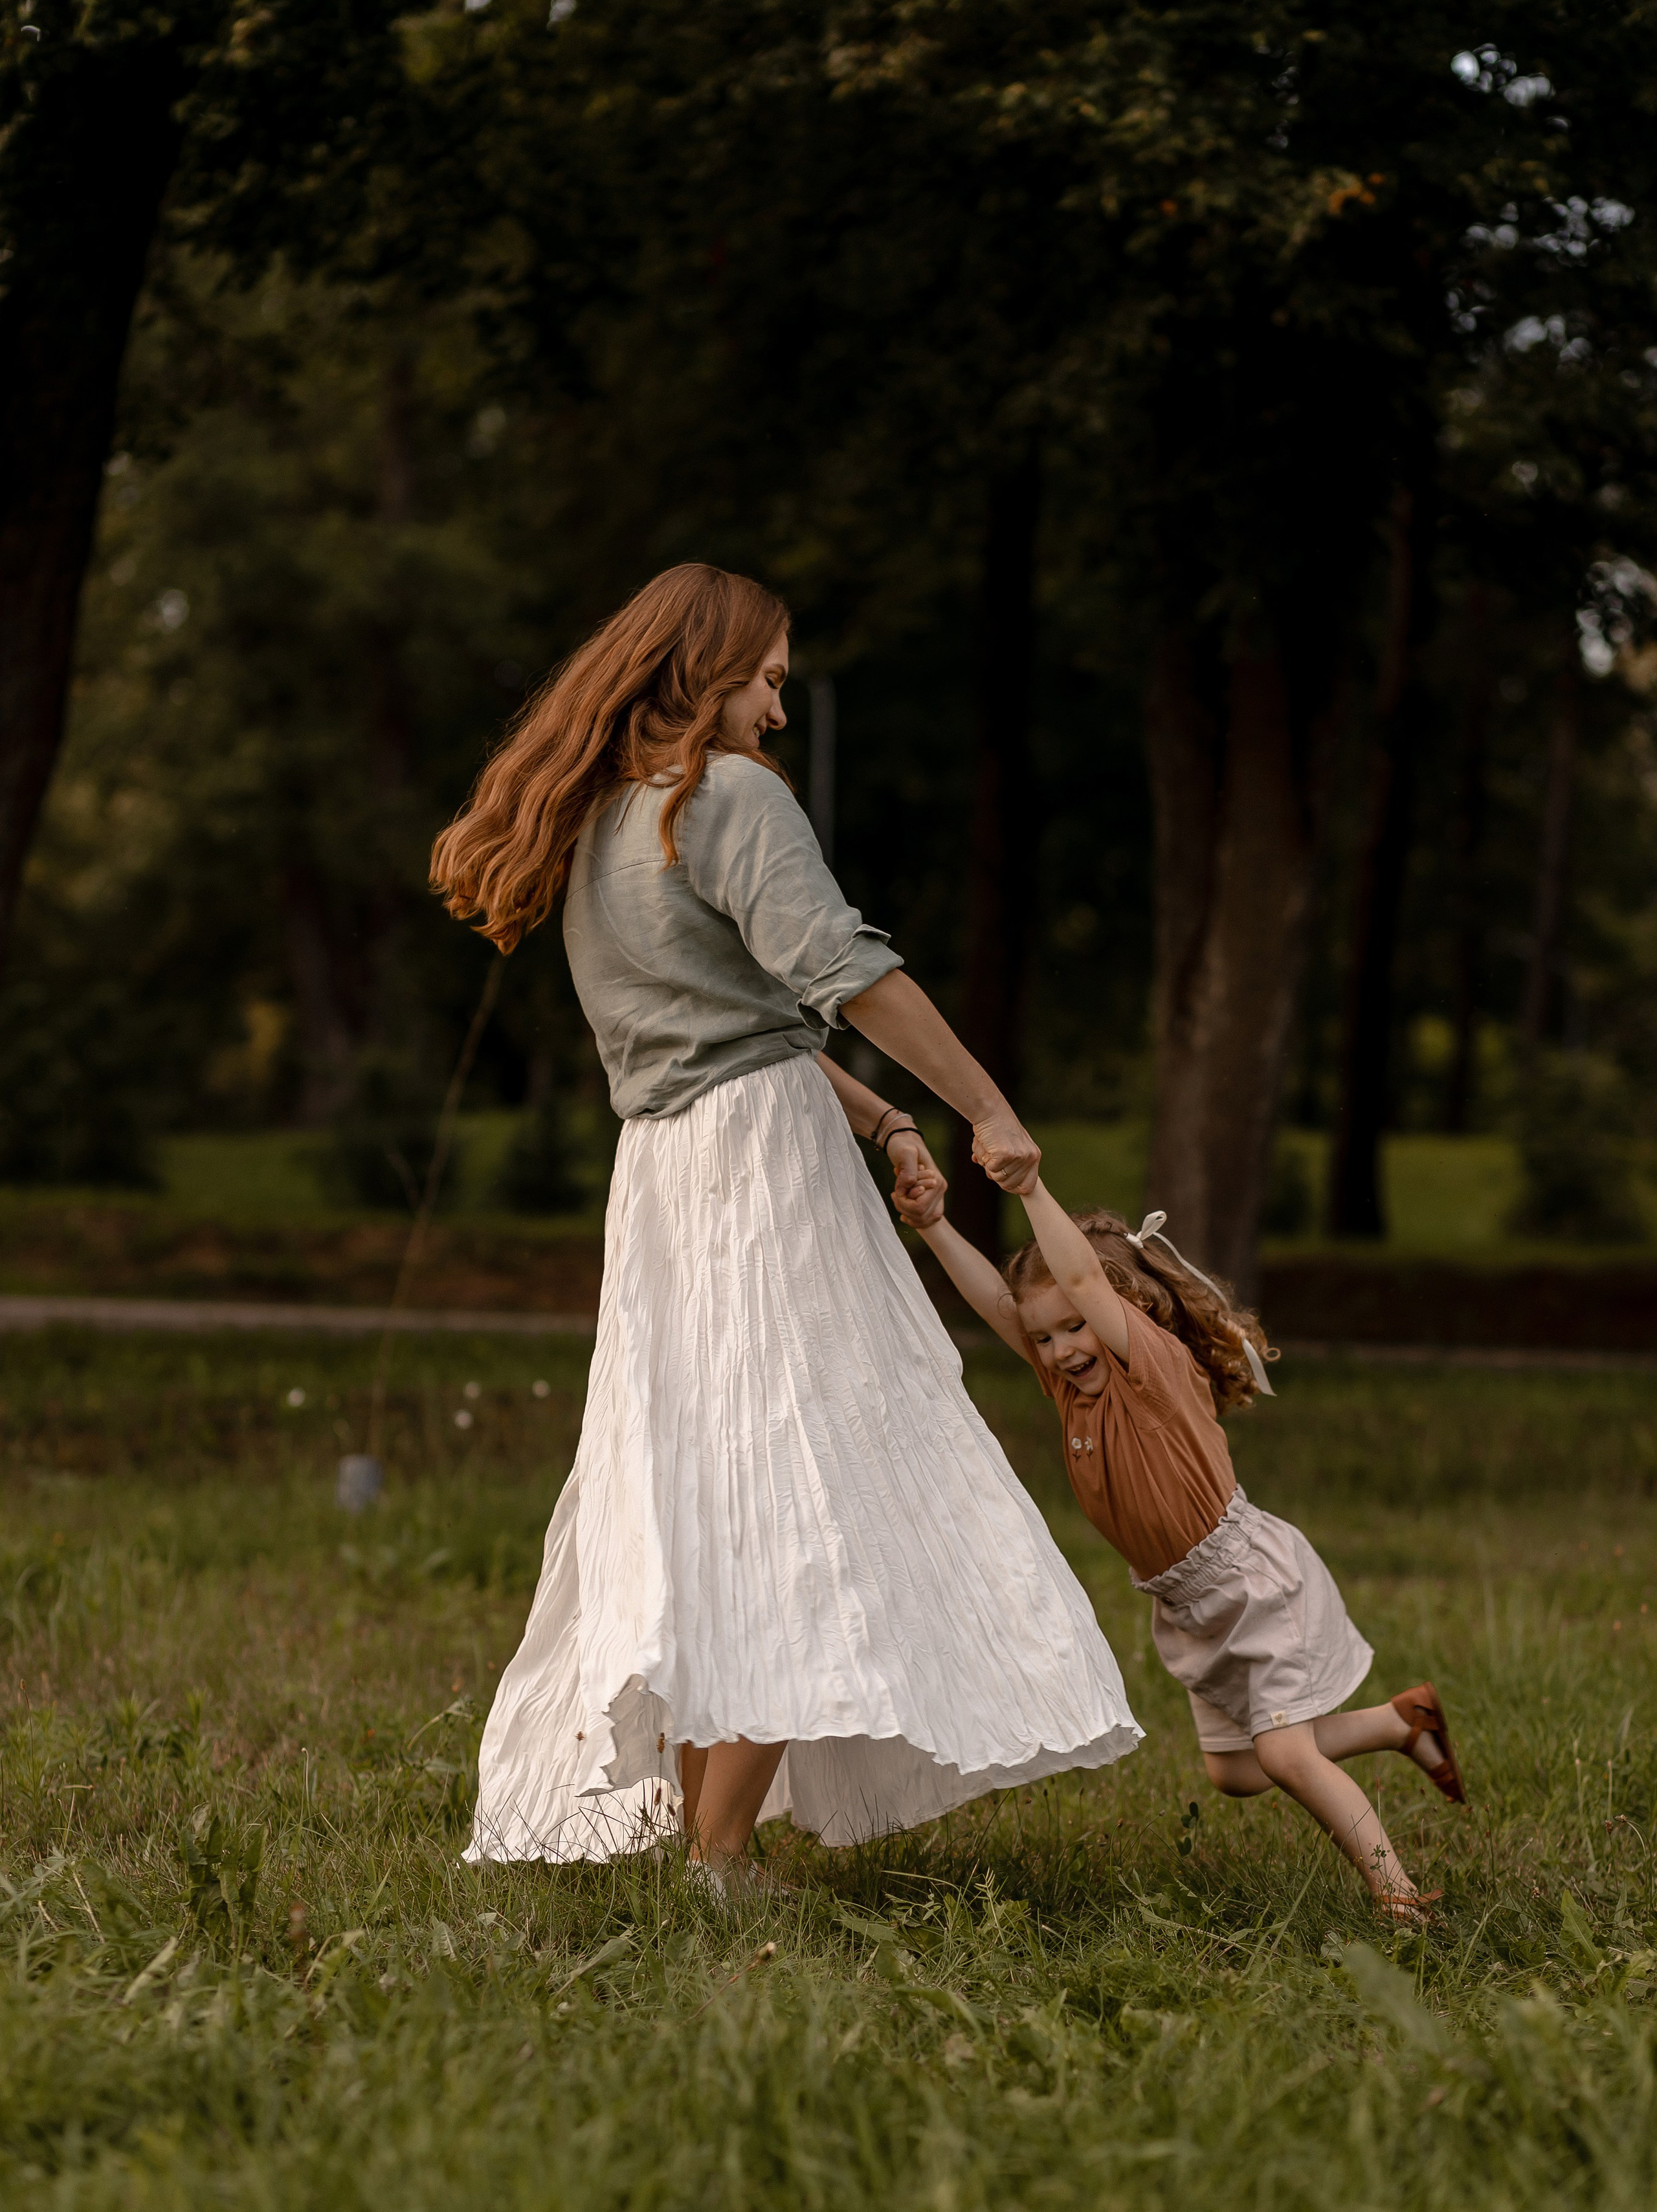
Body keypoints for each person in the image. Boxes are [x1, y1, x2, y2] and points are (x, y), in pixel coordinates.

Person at [430, 563, 1140, 1886]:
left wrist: (881, 1122)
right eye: (765, 676)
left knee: (715, 1485)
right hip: (758, 1177)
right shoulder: (728, 799)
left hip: (662, 1179)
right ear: (706, 675)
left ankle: (718, 1841)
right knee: (793, 1482)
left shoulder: (605, 824)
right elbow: (845, 974)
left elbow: (721, 1020)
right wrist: (984, 1106)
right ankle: (715, 1852)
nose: (775, 703)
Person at [904, 1174, 1467, 1919]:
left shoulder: (1152, 1370)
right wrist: (934, 1224)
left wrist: (1031, 1186)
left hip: (1251, 1582)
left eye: (1075, 1326)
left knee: (1284, 1755)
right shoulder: (1072, 1387)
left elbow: (1075, 1274)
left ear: (1123, 1307)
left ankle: (1397, 1893)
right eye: (1044, 1338)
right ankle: (1403, 1723)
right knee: (1235, 1771)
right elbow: (999, 1307)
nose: (1060, 1349)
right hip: (1184, 1601)